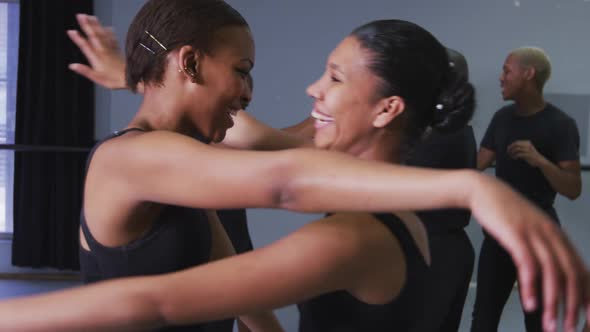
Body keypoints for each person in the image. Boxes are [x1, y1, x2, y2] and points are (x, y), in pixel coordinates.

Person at [45, 5, 589, 332]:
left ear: (387, 109)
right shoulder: (399, 225)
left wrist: (471, 187)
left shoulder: (353, 236)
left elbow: (284, 165)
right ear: (189, 63)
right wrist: (147, 80)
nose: (310, 90)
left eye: (332, 77)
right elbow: (283, 164)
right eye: (241, 70)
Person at [472, 46, 583, 332]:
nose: (501, 78)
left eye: (507, 71)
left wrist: (540, 161)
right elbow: (477, 164)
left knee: (537, 322)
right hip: (499, 235)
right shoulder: (502, 118)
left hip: (539, 239)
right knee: (483, 319)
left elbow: (572, 188)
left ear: (528, 74)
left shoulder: (560, 125)